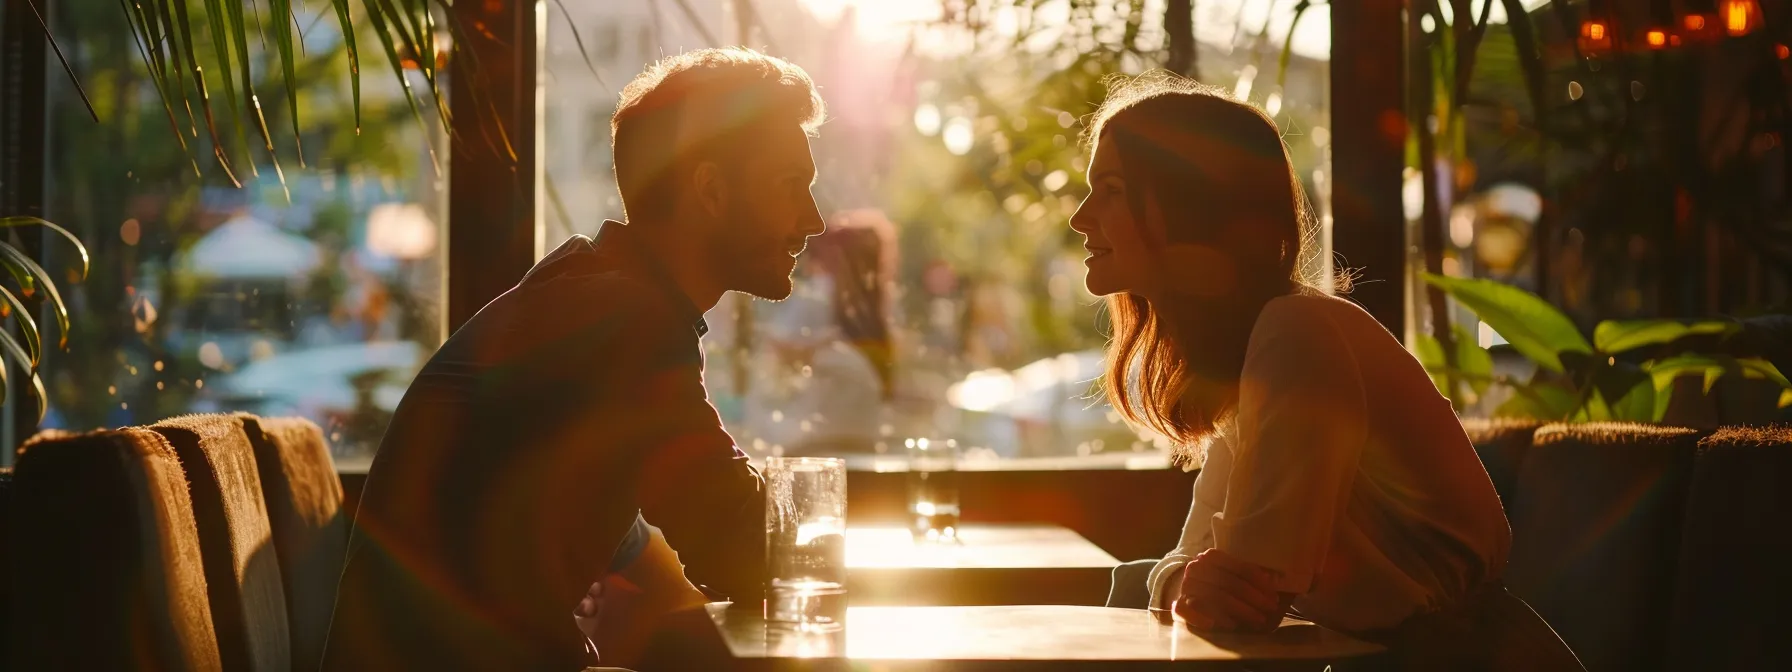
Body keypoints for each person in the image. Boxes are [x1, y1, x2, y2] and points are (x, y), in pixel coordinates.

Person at [321, 48, 828, 671]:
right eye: (789, 186)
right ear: (712, 191)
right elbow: (746, 552)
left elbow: (659, 570)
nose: (815, 220)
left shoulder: (584, 291)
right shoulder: (624, 324)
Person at [1073, 72, 1582, 670]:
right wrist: (1187, 585)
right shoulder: (1259, 351)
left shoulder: (1297, 334)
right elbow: (1191, 567)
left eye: (1110, 190)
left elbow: (1248, 587)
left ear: (1192, 202)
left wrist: (1200, 585)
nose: (1082, 218)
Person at [745, 210, 896, 455]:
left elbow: (782, 348)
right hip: (861, 435)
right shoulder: (873, 307)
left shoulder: (818, 296)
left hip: (816, 437)